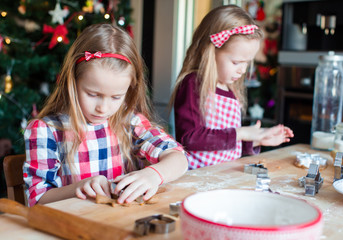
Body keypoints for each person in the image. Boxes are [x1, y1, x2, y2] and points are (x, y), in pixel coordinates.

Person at [23, 23, 188, 207]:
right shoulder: (46, 131)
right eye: (93, 94)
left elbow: (179, 158)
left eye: (116, 97)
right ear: (73, 81)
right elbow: (36, 199)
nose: (103, 108)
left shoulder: (129, 122)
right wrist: (80, 187)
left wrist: (153, 175)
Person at [169, 5, 293, 170]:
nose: (243, 70)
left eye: (247, 63)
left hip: (224, 175)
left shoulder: (231, 90)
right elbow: (190, 138)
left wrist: (258, 139)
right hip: (198, 177)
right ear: (210, 52)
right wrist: (241, 132)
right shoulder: (194, 83)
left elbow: (227, 146)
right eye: (236, 62)